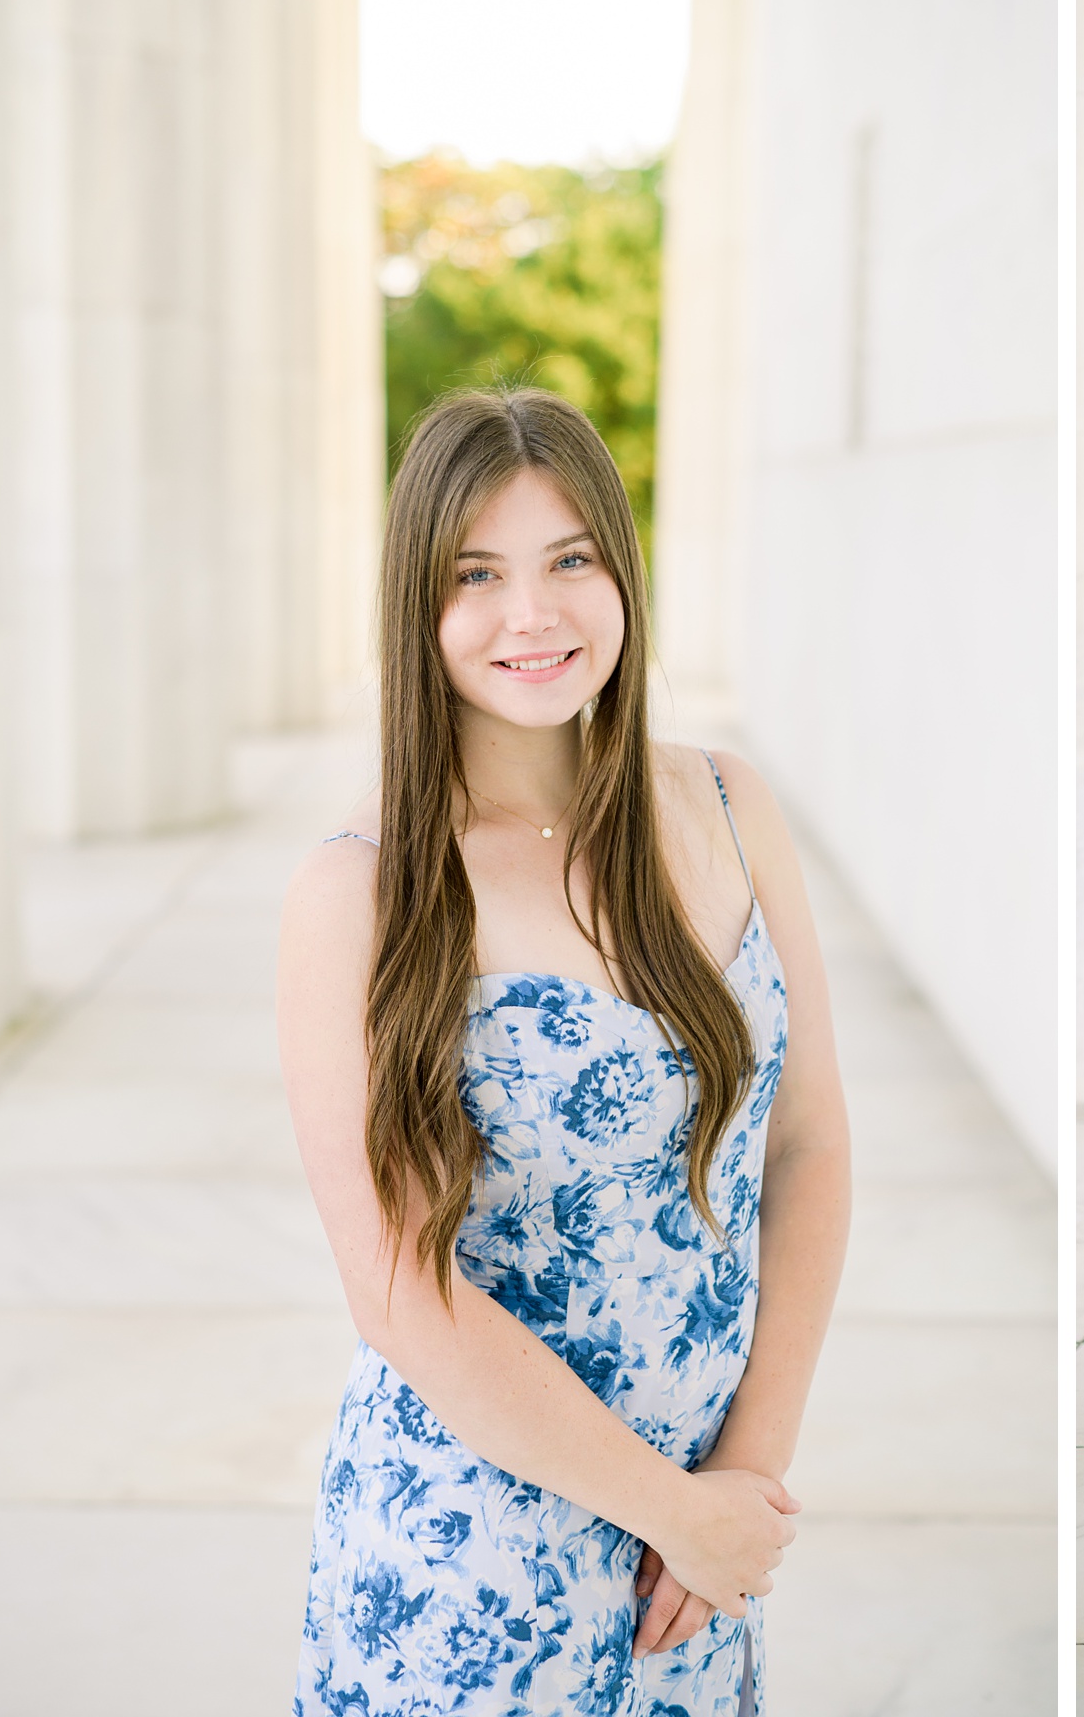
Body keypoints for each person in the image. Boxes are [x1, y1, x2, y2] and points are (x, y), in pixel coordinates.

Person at [280, 387, 851, 1715]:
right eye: (477, 574)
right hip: (468, 1563)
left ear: (622, 575)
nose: (529, 617)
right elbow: (399, 1288)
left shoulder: (722, 801)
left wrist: (740, 1484)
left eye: (569, 561)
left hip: (698, 1558)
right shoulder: (362, 891)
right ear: (417, 605)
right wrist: (675, 1510)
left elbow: (811, 1137)